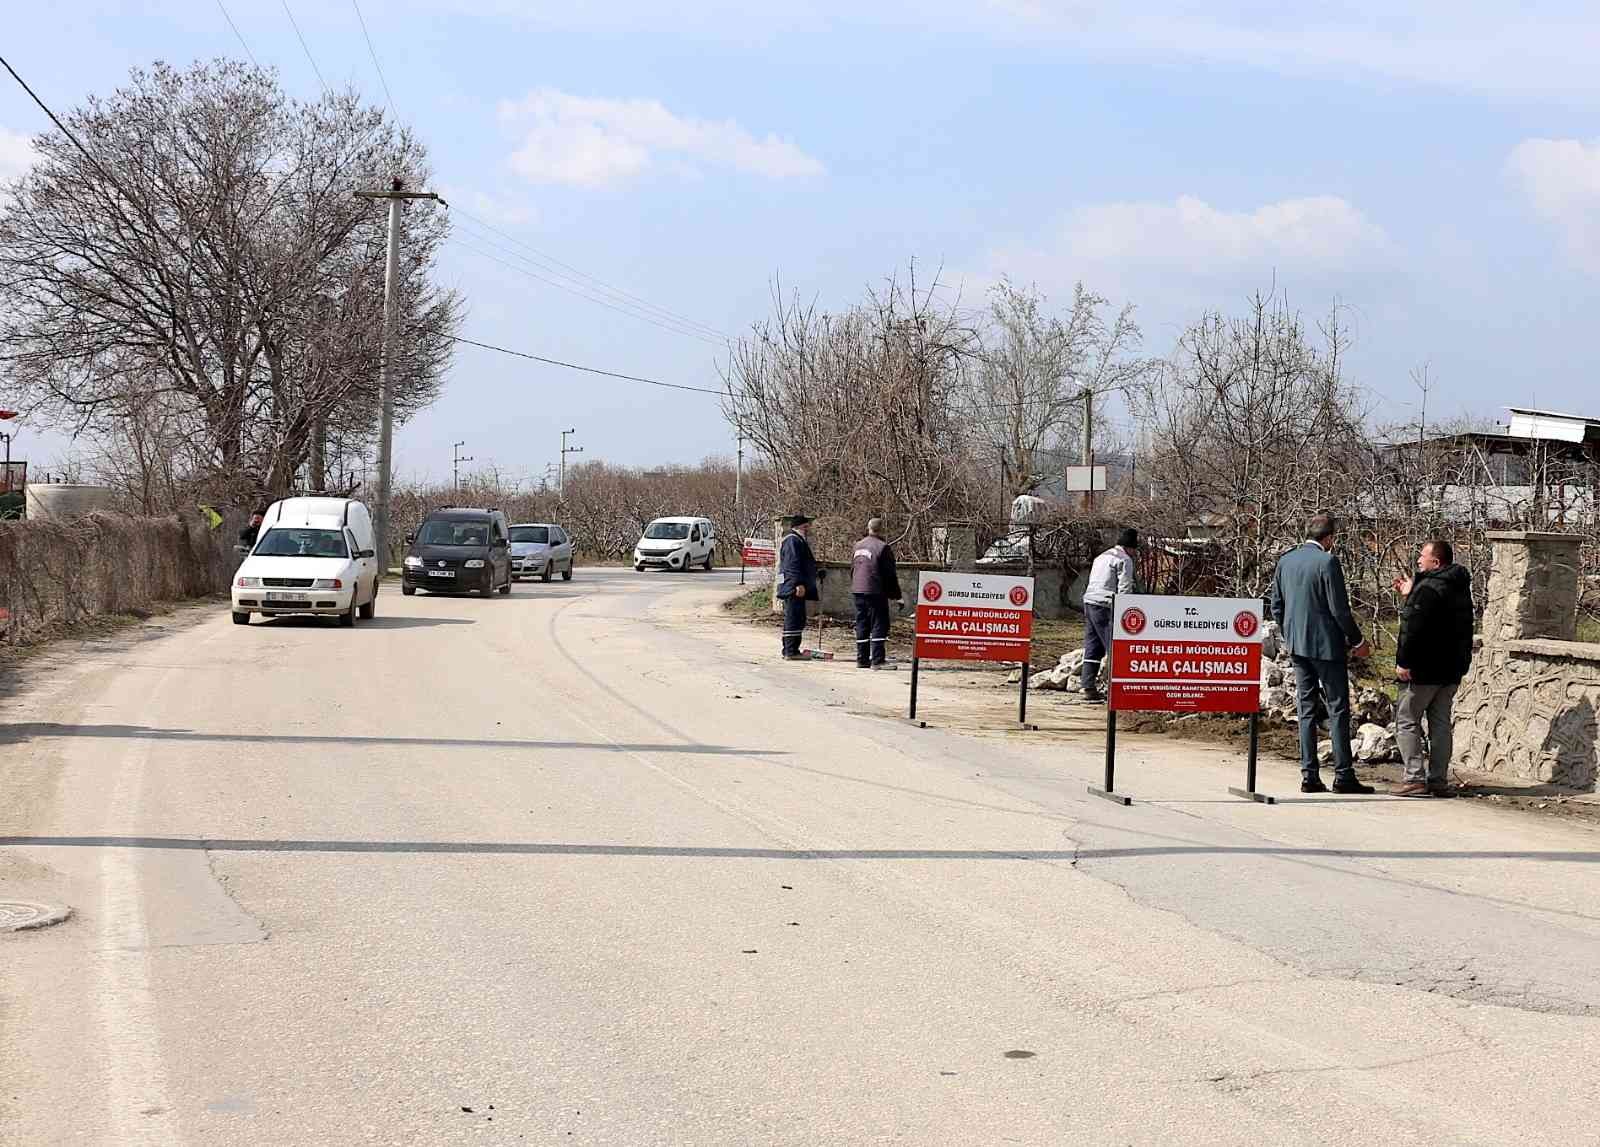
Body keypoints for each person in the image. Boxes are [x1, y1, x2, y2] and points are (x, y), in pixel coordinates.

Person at [1269, 513, 1375, 794]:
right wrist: (1357, 640)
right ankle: (1343, 775)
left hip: (1298, 646)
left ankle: (1309, 775)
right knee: (1338, 708)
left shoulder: (1286, 560)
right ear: (1328, 538)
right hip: (1327, 647)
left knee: (1306, 709)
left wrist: (1289, 633)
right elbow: (1340, 609)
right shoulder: (1327, 562)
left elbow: (1276, 605)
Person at [1392, 539, 1474, 798]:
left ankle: (1414, 778)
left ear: (1435, 562)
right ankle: (1438, 779)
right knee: (1440, 723)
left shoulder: (1427, 590)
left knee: (1407, 720)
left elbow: (1413, 628)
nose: (1418, 559)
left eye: (1422, 555)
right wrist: (1412, 592)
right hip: (1451, 669)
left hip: (1423, 670)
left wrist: (1404, 662)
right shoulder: (1459, 587)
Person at [1080, 527, 1140, 701]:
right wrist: (1125, 611)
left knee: (1093, 646)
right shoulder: (1125, 560)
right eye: (1135, 550)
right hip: (1105, 605)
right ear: (1131, 547)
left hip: (1090, 602)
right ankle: (1118, 690)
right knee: (1114, 647)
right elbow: (1124, 588)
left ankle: (1087, 686)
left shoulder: (1103, 556)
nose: (1135, 553)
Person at [850, 518, 904, 669]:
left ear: (868, 528)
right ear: (882, 529)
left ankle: (862, 659)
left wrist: (855, 585)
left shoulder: (857, 546)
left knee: (862, 623)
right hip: (875, 590)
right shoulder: (882, 547)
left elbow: (852, 569)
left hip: (858, 590)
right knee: (879, 623)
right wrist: (897, 596)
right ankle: (878, 660)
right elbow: (889, 575)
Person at [777, 515, 819, 661]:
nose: (808, 530)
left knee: (798, 618)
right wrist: (798, 584)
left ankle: (792, 649)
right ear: (799, 527)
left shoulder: (797, 540)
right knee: (793, 618)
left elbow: (803, 563)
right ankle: (790, 650)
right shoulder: (792, 541)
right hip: (793, 586)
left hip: (794, 585)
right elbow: (792, 565)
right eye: (806, 527)